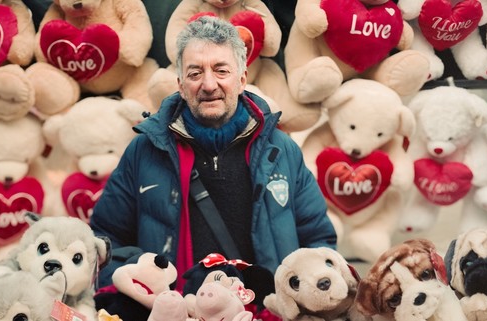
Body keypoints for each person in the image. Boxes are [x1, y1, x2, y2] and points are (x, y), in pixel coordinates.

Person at [90, 16, 337, 290]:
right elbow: (104, 241)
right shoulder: (145, 150)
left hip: (264, 314)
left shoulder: (281, 151)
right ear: (181, 86)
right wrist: (139, 289)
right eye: (195, 73)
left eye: (221, 71)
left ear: (242, 80)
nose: (208, 85)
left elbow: (319, 244)